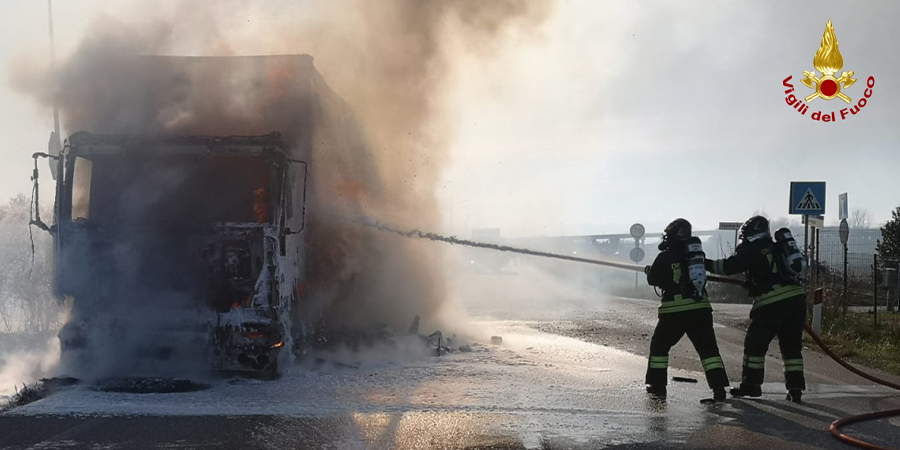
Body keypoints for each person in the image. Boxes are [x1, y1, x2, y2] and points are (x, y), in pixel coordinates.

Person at [704, 215, 807, 403]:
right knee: (791, 348)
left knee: (755, 346)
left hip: (771, 304)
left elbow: (729, 266)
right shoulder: (778, 247)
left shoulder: (752, 249)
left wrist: (704, 263)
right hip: (796, 301)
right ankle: (796, 389)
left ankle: (751, 385)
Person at [643, 218, 730, 401]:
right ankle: (719, 389)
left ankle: (657, 386)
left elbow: (653, 279)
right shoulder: (696, 256)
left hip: (674, 312)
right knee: (708, 351)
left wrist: (649, 271)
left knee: (660, 346)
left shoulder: (666, 256)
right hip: (700, 310)